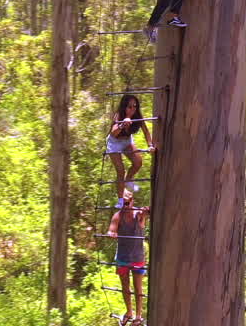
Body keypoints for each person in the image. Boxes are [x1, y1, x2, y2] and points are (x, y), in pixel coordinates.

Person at [107, 190, 149, 326]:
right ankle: (129, 312)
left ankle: (138, 316)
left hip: (137, 257)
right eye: (123, 203)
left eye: (127, 202)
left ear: (132, 202)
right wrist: (111, 233)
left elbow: (146, 215)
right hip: (123, 258)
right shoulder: (117, 216)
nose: (125, 205)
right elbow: (112, 229)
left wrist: (146, 212)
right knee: (125, 287)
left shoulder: (139, 215)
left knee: (138, 287)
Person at [107, 95, 155, 198]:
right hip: (114, 142)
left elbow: (146, 131)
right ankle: (120, 198)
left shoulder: (137, 116)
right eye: (130, 106)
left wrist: (150, 145)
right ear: (124, 107)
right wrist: (122, 125)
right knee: (120, 170)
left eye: (135, 106)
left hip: (127, 141)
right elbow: (113, 133)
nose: (133, 109)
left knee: (138, 162)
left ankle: (128, 180)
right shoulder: (118, 115)